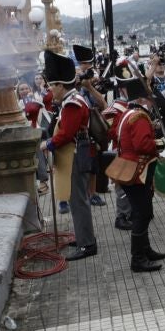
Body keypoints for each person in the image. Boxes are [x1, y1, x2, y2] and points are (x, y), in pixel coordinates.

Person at [42, 50, 98, 261]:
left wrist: (48, 143)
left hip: (76, 155)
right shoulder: (72, 99)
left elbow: (67, 133)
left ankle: (87, 244)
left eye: (52, 86)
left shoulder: (72, 103)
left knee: (78, 201)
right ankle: (84, 237)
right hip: (75, 154)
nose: (50, 90)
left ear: (60, 85)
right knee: (77, 200)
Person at [112, 76, 165, 272]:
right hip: (137, 171)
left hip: (131, 168)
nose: (152, 102)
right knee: (141, 214)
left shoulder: (128, 113)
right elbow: (142, 145)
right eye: (149, 98)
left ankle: (145, 249)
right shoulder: (140, 117)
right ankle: (138, 258)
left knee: (144, 211)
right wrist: (161, 143)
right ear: (143, 99)